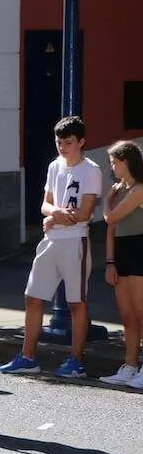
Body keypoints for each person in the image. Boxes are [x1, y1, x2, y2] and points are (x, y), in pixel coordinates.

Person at [0, 116, 102, 378]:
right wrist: (54, 214)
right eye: (59, 142)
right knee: (33, 296)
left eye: (68, 142)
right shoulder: (54, 166)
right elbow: (45, 204)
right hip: (51, 240)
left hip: (75, 241)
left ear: (81, 142)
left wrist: (54, 217)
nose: (63, 147)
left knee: (76, 302)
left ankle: (76, 360)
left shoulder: (91, 170)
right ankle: (28, 356)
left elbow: (86, 211)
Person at [100, 140, 143, 387]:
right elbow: (112, 230)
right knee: (127, 315)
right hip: (122, 252)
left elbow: (110, 217)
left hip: (139, 250)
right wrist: (110, 262)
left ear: (127, 162)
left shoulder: (138, 189)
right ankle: (129, 366)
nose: (113, 167)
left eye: (115, 162)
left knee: (140, 313)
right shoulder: (121, 189)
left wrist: (107, 199)